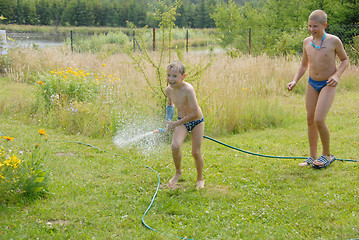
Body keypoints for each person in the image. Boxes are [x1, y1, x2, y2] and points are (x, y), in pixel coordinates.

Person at [287, 10, 349, 168]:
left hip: (328, 84)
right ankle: (312, 157)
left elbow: (345, 60)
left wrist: (337, 76)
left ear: (324, 25)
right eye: (309, 26)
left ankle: (327, 155)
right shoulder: (307, 42)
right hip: (311, 83)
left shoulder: (334, 41)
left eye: (315, 26)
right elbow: (303, 65)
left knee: (319, 119)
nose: (312, 29)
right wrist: (294, 80)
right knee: (310, 120)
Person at [164, 60, 205, 189]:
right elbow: (170, 104)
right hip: (182, 121)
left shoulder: (188, 89)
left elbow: (196, 114)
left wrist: (176, 123)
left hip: (196, 122)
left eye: (175, 76)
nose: (171, 79)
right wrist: (168, 121)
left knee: (195, 152)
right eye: (168, 75)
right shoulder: (169, 90)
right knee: (175, 146)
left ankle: (200, 178)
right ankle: (178, 172)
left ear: (183, 76)